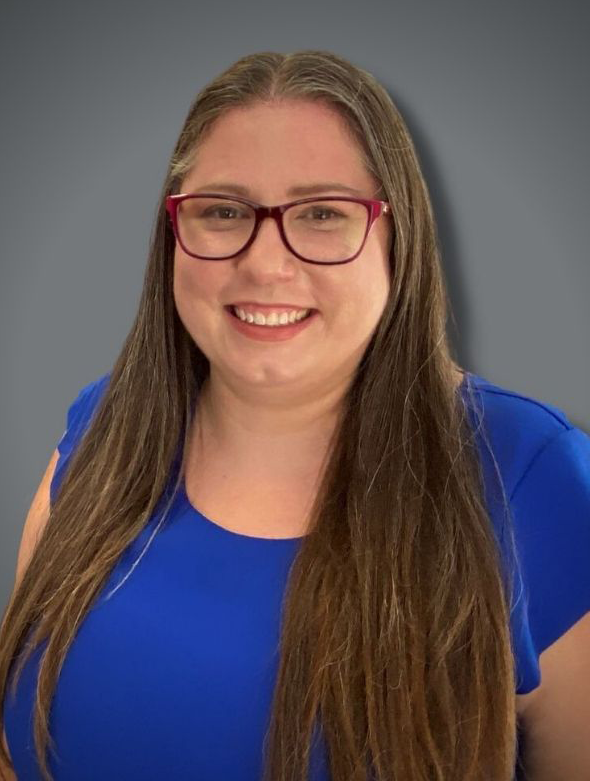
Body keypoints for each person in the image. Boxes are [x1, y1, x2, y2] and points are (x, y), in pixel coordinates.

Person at [1, 49, 589, 781]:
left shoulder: (533, 477)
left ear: (398, 238)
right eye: (223, 211)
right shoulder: (100, 429)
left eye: (321, 214)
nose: (266, 264)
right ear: (172, 232)